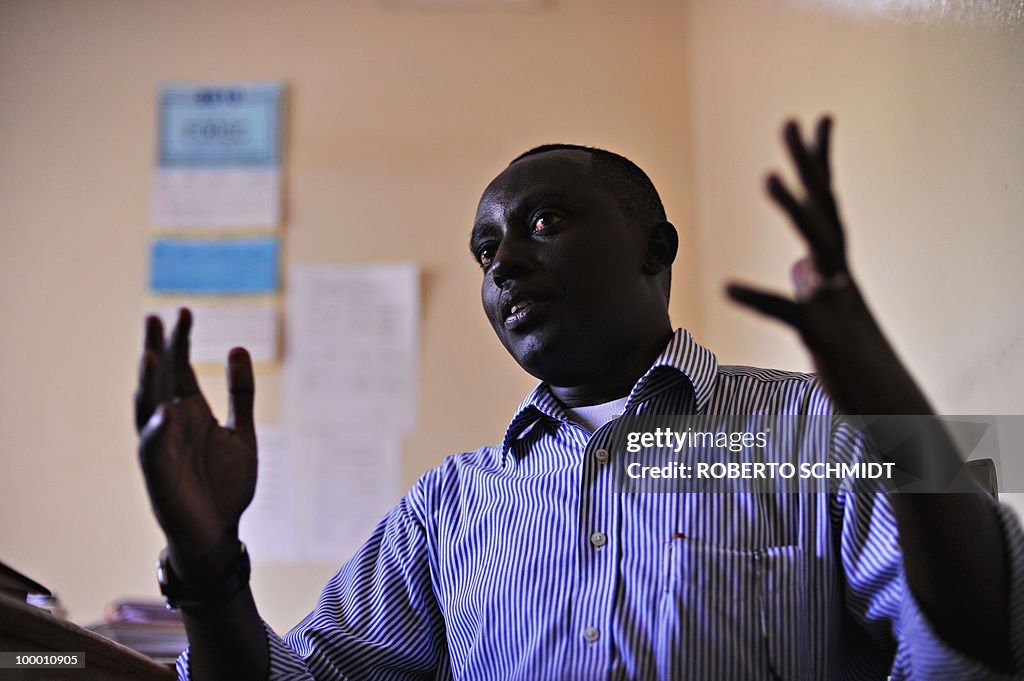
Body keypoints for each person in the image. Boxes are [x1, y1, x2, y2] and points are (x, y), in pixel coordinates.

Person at [135, 117, 1023, 680]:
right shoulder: (448, 507)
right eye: (487, 252)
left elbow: (983, 639)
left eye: (544, 225)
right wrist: (208, 565)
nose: (506, 263)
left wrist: (891, 405)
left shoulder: (811, 428)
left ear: (654, 249)